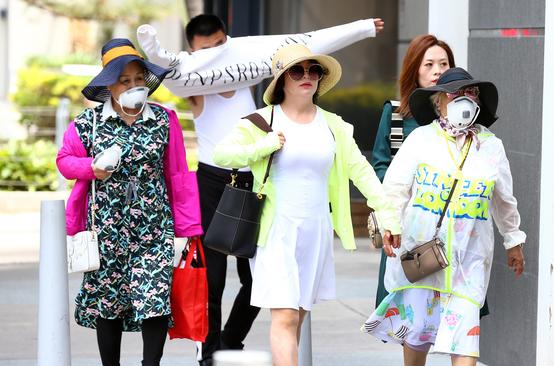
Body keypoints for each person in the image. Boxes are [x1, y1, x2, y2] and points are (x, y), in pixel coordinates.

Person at [138, 14, 386, 365]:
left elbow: (303, 43)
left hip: (256, 184)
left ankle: (230, 340)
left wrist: (360, 28)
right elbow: (165, 74)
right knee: (213, 277)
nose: (215, 56)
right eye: (205, 51)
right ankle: (209, 352)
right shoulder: (194, 88)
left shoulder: (249, 76)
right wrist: (156, 52)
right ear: (192, 53)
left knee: (258, 285)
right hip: (214, 181)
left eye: (220, 47)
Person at [213, 43, 401, 366]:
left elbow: (362, 172)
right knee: (284, 317)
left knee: (296, 319)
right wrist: (263, 146)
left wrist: (389, 216)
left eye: (314, 71)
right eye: (297, 71)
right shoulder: (262, 121)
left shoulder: (334, 126)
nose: (307, 77)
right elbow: (222, 154)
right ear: (282, 79)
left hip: (315, 231)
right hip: (276, 232)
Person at [362, 67, 526, 366]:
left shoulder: (491, 146)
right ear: (439, 101)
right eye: (456, 93)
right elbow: (395, 187)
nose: (465, 98)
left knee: (466, 340)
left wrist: (513, 240)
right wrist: (390, 224)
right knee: (417, 338)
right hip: (423, 256)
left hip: (469, 260)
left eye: (471, 93)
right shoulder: (421, 139)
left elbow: (504, 200)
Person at [56, 39, 202, 366]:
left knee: (155, 300)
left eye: (139, 79)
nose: (135, 86)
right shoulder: (89, 123)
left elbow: (178, 174)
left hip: (155, 228)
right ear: (110, 85)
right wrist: (91, 168)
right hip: (105, 229)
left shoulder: (165, 120)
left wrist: (188, 226)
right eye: (126, 80)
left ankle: (151, 364)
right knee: (108, 303)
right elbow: (64, 161)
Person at [371, 34, 455, 308]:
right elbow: (381, 164)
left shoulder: (460, 118)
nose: (437, 71)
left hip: (450, 222)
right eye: (429, 64)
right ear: (414, 69)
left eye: (443, 64)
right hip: (406, 223)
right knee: (408, 304)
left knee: (450, 304)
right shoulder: (395, 114)